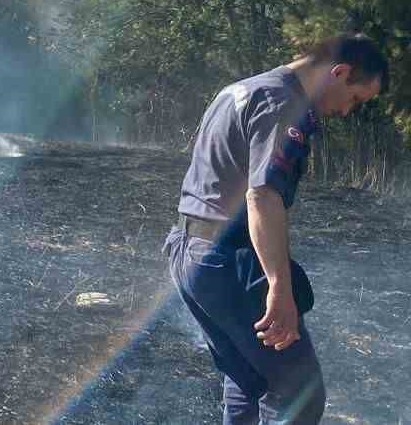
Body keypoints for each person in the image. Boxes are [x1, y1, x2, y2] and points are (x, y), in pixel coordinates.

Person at [164, 34, 388, 424]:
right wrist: (278, 287)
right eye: (355, 99)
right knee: (299, 393)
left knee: (249, 381)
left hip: (188, 250)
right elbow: (262, 196)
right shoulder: (283, 104)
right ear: (340, 72)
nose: (346, 111)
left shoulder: (241, 90)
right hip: (227, 261)